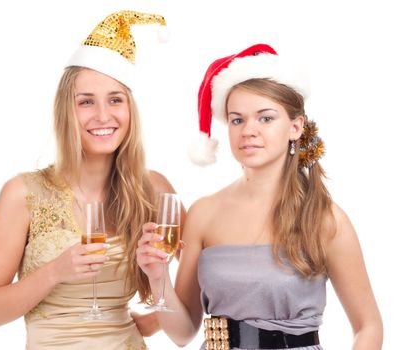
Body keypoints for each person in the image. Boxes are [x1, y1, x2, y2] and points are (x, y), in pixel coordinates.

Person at [137, 43, 383, 349]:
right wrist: (158, 277)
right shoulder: (204, 213)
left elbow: (368, 326)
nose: (248, 130)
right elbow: (184, 332)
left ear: (295, 127)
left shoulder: (324, 218)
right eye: (237, 120)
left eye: (265, 118)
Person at [0, 10, 181, 350]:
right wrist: (55, 271)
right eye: (86, 102)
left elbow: (198, 287)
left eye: (116, 99)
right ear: (66, 112)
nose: (103, 115)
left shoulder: (154, 190)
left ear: (130, 109)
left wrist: (152, 318)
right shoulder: (22, 193)